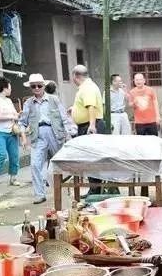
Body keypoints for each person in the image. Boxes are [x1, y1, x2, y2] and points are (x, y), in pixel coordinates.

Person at [19, 73, 73, 205]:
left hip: (55, 132)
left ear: (44, 86)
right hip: (38, 134)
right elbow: (22, 122)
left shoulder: (54, 99)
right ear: (31, 88)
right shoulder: (28, 103)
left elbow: (64, 118)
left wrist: (68, 134)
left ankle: (64, 188)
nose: (37, 88)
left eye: (39, 85)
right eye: (33, 86)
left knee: (60, 163)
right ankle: (39, 194)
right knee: (35, 164)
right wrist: (24, 137)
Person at [70, 65, 106, 194]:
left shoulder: (87, 87)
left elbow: (91, 106)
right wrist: (74, 109)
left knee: (92, 159)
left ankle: (95, 189)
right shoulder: (87, 87)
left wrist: (91, 125)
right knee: (89, 158)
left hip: (90, 125)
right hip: (87, 124)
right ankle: (94, 187)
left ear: (76, 76)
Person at [0, 76, 22, 190]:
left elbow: (15, 114)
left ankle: (13, 178)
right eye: (10, 86)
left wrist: (16, 115)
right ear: (4, 87)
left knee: (14, 155)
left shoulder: (8, 101)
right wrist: (13, 115)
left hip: (11, 131)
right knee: (1, 154)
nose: (11, 89)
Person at [128, 72, 160, 137]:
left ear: (144, 81)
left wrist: (158, 116)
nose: (138, 81)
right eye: (136, 80)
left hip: (151, 120)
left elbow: (155, 103)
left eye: (140, 79)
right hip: (139, 122)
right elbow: (130, 104)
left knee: (154, 140)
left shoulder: (151, 90)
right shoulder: (132, 92)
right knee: (141, 142)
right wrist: (134, 103)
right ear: (134, 81)